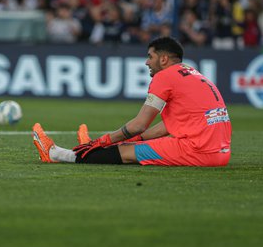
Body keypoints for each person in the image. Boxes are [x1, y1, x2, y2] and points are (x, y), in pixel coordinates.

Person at [32, 37, 232, 167]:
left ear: (163, 59)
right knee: (134, 144)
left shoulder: (165, 77)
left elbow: (139, 124)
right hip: (220, 153)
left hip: (200, 152)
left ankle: (57, 154)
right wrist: (136, 139)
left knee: (126, 152)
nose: (146, 62)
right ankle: (90, 150)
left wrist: (102, 141)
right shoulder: (193, 74)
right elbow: (168, 126)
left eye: (150, 56)